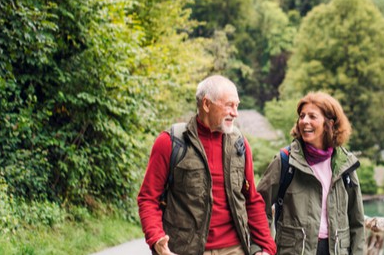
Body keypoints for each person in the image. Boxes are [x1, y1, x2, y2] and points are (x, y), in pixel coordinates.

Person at [137, 75, 276, 255]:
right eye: (229, 105)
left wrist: (266, 248)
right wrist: (156, 239)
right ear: (206, 104)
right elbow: (148, 198)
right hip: (184, 249)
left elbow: (251, 199)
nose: (235, 113)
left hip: (235, 249)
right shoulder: (170, 142)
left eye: (237, 105)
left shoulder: (239, 144)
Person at [257, 92, 365, 255]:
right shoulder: (286, 161)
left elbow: (357, 222)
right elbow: (258, 205)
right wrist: (262, 248)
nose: (304, 121)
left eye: (312, 116)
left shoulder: (345, 164)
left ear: (329, 123)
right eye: (302, 116)